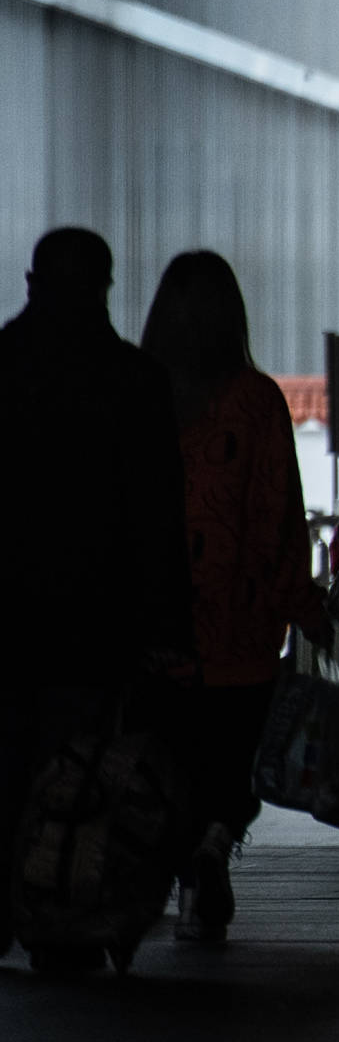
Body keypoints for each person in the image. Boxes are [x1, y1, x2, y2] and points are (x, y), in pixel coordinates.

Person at [0, 229, 190, 971]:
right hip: (97, 620)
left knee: (6, 761)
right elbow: (157, 515)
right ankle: (60, 908)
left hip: (6, 616)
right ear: (108, 284)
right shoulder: (134, 379)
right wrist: (169, 625)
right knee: (75, 767)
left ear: (30, 280)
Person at [139, 252, 327, 942]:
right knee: (231, 757)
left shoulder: (138, 392)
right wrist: (300, 603)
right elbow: (277, 514)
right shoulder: (257, 398)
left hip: (153, 622)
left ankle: (172, 862)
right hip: (240, 627)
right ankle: (213, 845)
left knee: (163, 753)